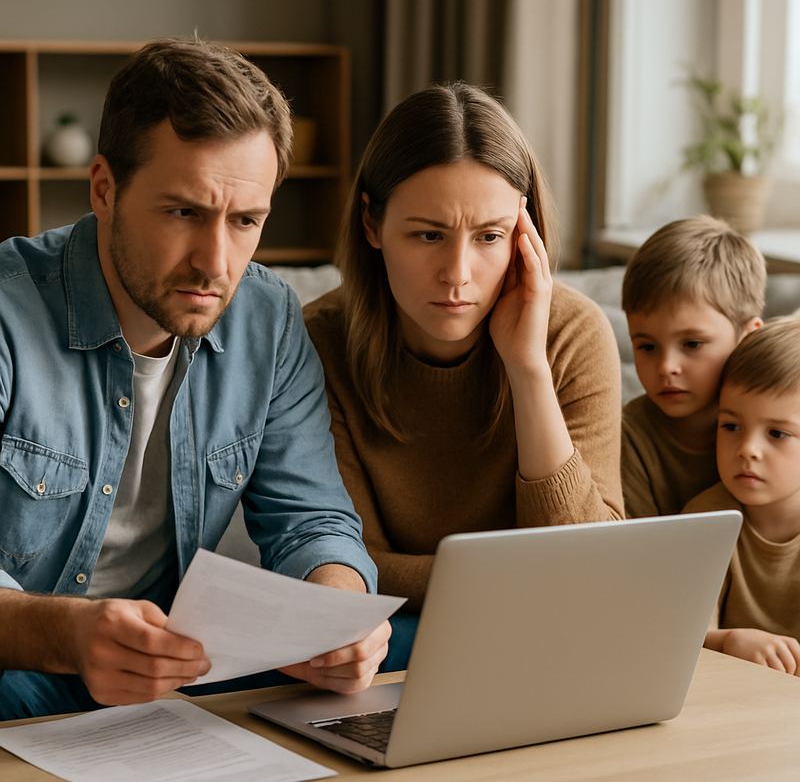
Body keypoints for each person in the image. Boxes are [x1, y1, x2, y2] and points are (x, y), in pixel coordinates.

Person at [0, 37, 390, 721]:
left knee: (407, 644)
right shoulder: (7, 313)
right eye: (184, 212)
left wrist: (338, 615)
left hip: (178, 664)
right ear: (104, 190)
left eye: (245, 222)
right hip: (22, 663)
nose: (216, 263)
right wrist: (69, 634)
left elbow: (312, 522)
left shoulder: (267, 320)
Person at [303, 82, 624, 666]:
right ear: (372, 224)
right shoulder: (319, 342)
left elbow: (594, 566)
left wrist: (528, 368)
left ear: (525, 237)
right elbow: (357, 562)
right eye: (428, 235)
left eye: (490, 237)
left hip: (556, 644)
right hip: (390, 644)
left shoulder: (573, 335)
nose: (458, 274)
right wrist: (527, 574)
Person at [620, 216, 765, 518]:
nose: (666, 367)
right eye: (647, 346)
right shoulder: (627, 437)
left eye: (692, 344)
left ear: (748, 337)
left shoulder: (779, 426)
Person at [683, 317, 800, 676]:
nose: (747, 449)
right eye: (731, 426)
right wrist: (728, 641)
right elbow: (679, 637)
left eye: (777, 433)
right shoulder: (705, 518)